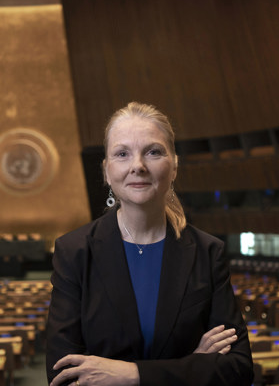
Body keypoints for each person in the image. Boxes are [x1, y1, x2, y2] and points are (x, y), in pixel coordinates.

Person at [46, 102, 254, 386]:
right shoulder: (73, 251)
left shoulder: (208, 252)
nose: (138, 166)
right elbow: (63, 376)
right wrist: (192, 365)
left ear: (174, 166)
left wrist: (133, 375)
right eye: (122, 154)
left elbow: (238, 369)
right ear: (107, 171)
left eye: (153, 152)